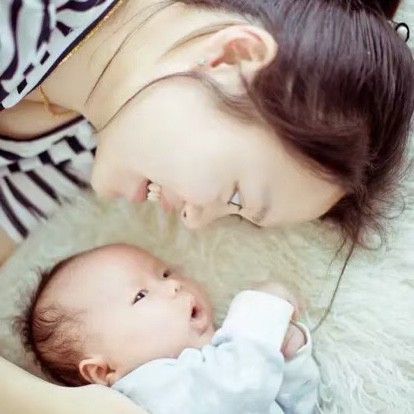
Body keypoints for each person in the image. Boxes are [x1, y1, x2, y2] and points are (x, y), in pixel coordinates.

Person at [0, 0, 413, 413]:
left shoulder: (75, 154)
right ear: (232, 57)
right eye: (236, 196)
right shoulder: (27, 18)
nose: (192, 221)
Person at [19, 243, 319, 414]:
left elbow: (273, 400)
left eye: (164, 273)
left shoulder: (220, 364)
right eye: (140, 295)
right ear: (102, 371)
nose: (174, 284)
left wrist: (289, 359)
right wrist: (261, 309)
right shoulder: (147, 390)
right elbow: (239, 389)